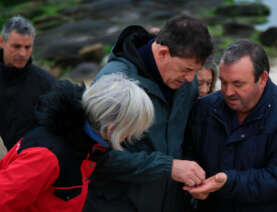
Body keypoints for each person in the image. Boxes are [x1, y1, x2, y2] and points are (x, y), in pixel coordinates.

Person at [84, 14, 213, 212]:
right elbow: (94, 156)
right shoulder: (113, 81)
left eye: (195, 71)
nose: (190, 79)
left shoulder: (187, 80)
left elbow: (187, 138)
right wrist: (168, 167)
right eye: (186, 69)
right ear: (162, 53)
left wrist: (195, 177)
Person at [183, 39, 277, 212]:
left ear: (262, 79)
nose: (228, 92)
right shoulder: (204, 109)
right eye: (223, 82)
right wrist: (194, 180)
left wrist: (227, 181)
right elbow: (189, 152)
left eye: (238, 84)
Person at [0, 73, 155, 212]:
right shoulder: (48, 155)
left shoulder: (85, 146)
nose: (130, 137)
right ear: (111, 128)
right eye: (131, 130)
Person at [0, 15, 56, 150]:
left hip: (30, 159)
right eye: (16, 46)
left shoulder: (46, 82)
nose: (23, 53)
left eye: (27, 47)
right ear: (1, 42)